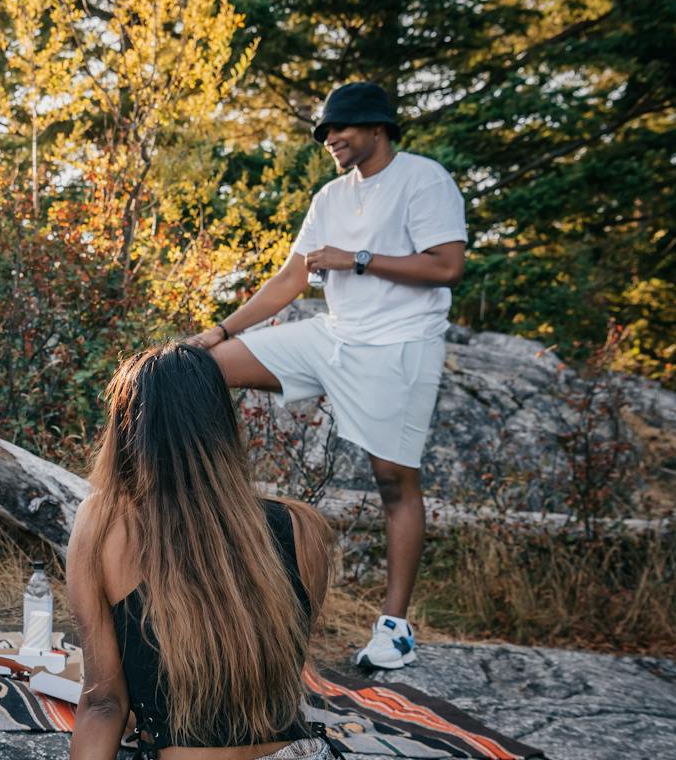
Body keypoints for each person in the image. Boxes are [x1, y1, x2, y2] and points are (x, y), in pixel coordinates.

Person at [31, 341, 362, 760]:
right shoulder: (299, 527)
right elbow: (275, 673)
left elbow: (105, 702)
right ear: (219, 422)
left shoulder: (105, 526)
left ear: (129, 430)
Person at [188, 82, 467, 670]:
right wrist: (220, 330)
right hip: (332, 337)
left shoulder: (424, 178)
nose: (330, 139)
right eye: (324, 132)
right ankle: (210, 520)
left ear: (377, 128)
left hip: (399, 346)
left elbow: (447, 266)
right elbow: (291, 280)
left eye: (340, 129)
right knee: (196, 370)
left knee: (395, 483)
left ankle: (394, 630)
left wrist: (356, 259)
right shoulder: (329, 197)